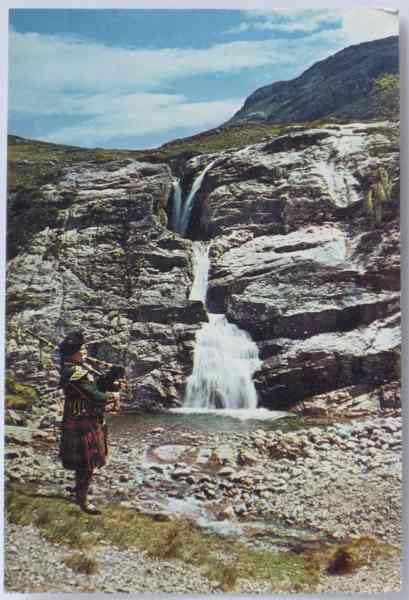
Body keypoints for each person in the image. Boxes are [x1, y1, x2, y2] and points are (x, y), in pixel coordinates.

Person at [58, 330, 121, 514]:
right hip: (83, 422)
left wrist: (111, 380)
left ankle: (79, 490)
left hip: (80, 420)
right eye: (82, 349)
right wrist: (113, 395)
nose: (85, 352)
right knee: (87, 463)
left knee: (83, 463)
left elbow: (93, 387)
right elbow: (95, 396)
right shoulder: (76, 373)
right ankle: (83, 501)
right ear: (73, 353)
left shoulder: (73, 369)